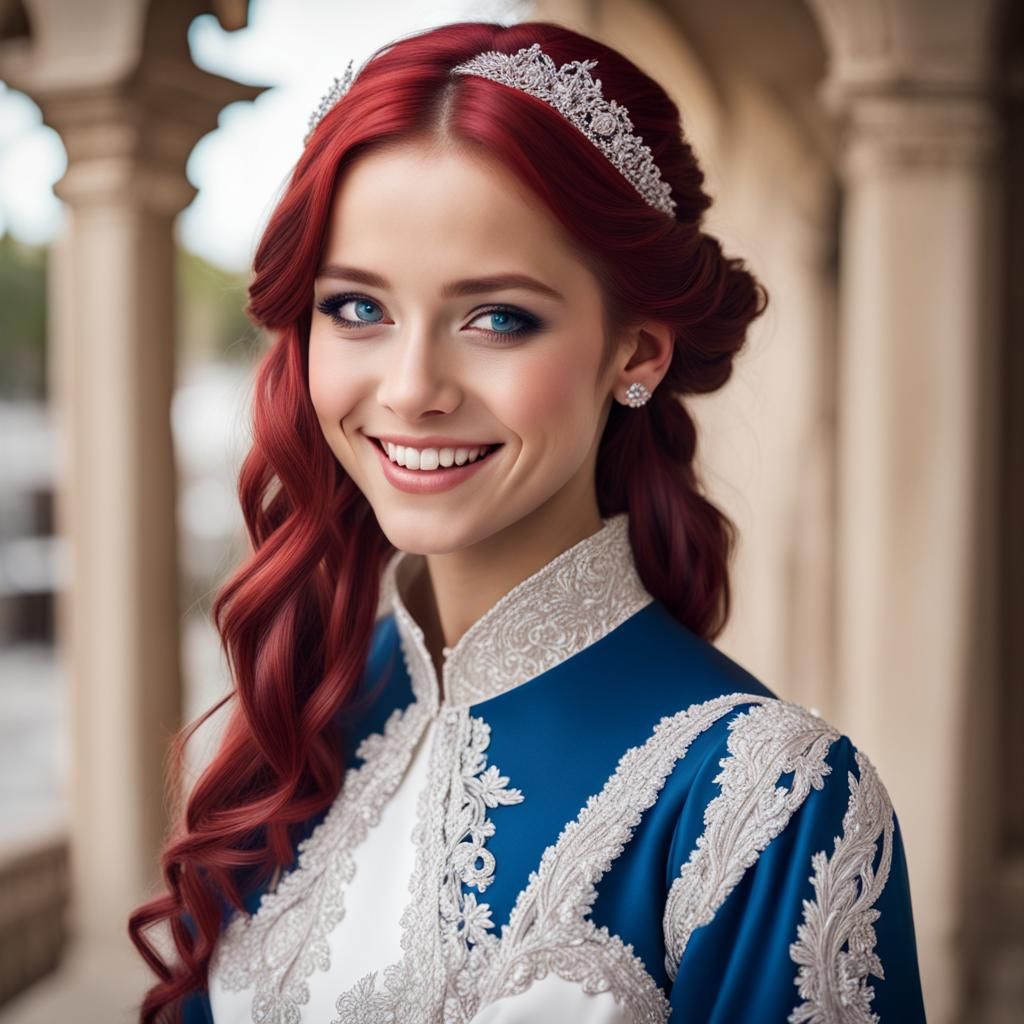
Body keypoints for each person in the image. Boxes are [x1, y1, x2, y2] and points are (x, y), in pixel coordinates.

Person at [128, 18, 928, 1024]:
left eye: (497, 316)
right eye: (358, 309)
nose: (412, 389)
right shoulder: (299, 720)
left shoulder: (772, 806)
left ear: (636, 352)